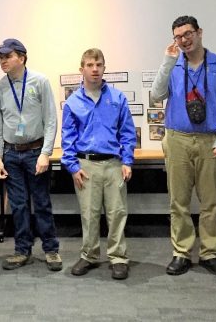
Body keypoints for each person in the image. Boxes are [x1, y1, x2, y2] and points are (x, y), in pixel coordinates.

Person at [152, 15, 216, 277]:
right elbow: (157, 95)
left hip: (209, 141)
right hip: (177, 139)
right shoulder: (174, 65)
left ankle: (210, 253)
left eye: (188, 34)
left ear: (199, 32)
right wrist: (167, 62)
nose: (184, 40)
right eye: (178, 36)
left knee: (210, 201)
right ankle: (181, 253)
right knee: (178, 201)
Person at [61, 48, 136, 280]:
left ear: (104, 68)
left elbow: (127, 131)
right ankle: (89, 255)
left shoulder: (117, 98)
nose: (95, 69)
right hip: (86, 165)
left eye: (99, 65)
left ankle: (118, 257)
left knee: (117, 213)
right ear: (81, 69)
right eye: (90, 65)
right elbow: (68, 138)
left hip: (114, 164)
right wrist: (73, 167)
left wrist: (127, 161)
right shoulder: (73, 102)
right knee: (89, 214)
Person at [0, 38, 61, 271]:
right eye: (1, 57)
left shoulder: (39, 81)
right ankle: (22, 250)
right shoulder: (0, 87)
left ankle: (51, 249)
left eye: (7, 56)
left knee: (41, 203)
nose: (3, 61)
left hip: (34, 152)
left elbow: (50, 119)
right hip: (11, 154)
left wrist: (45, 153)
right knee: (19, 205)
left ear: (21, 57)